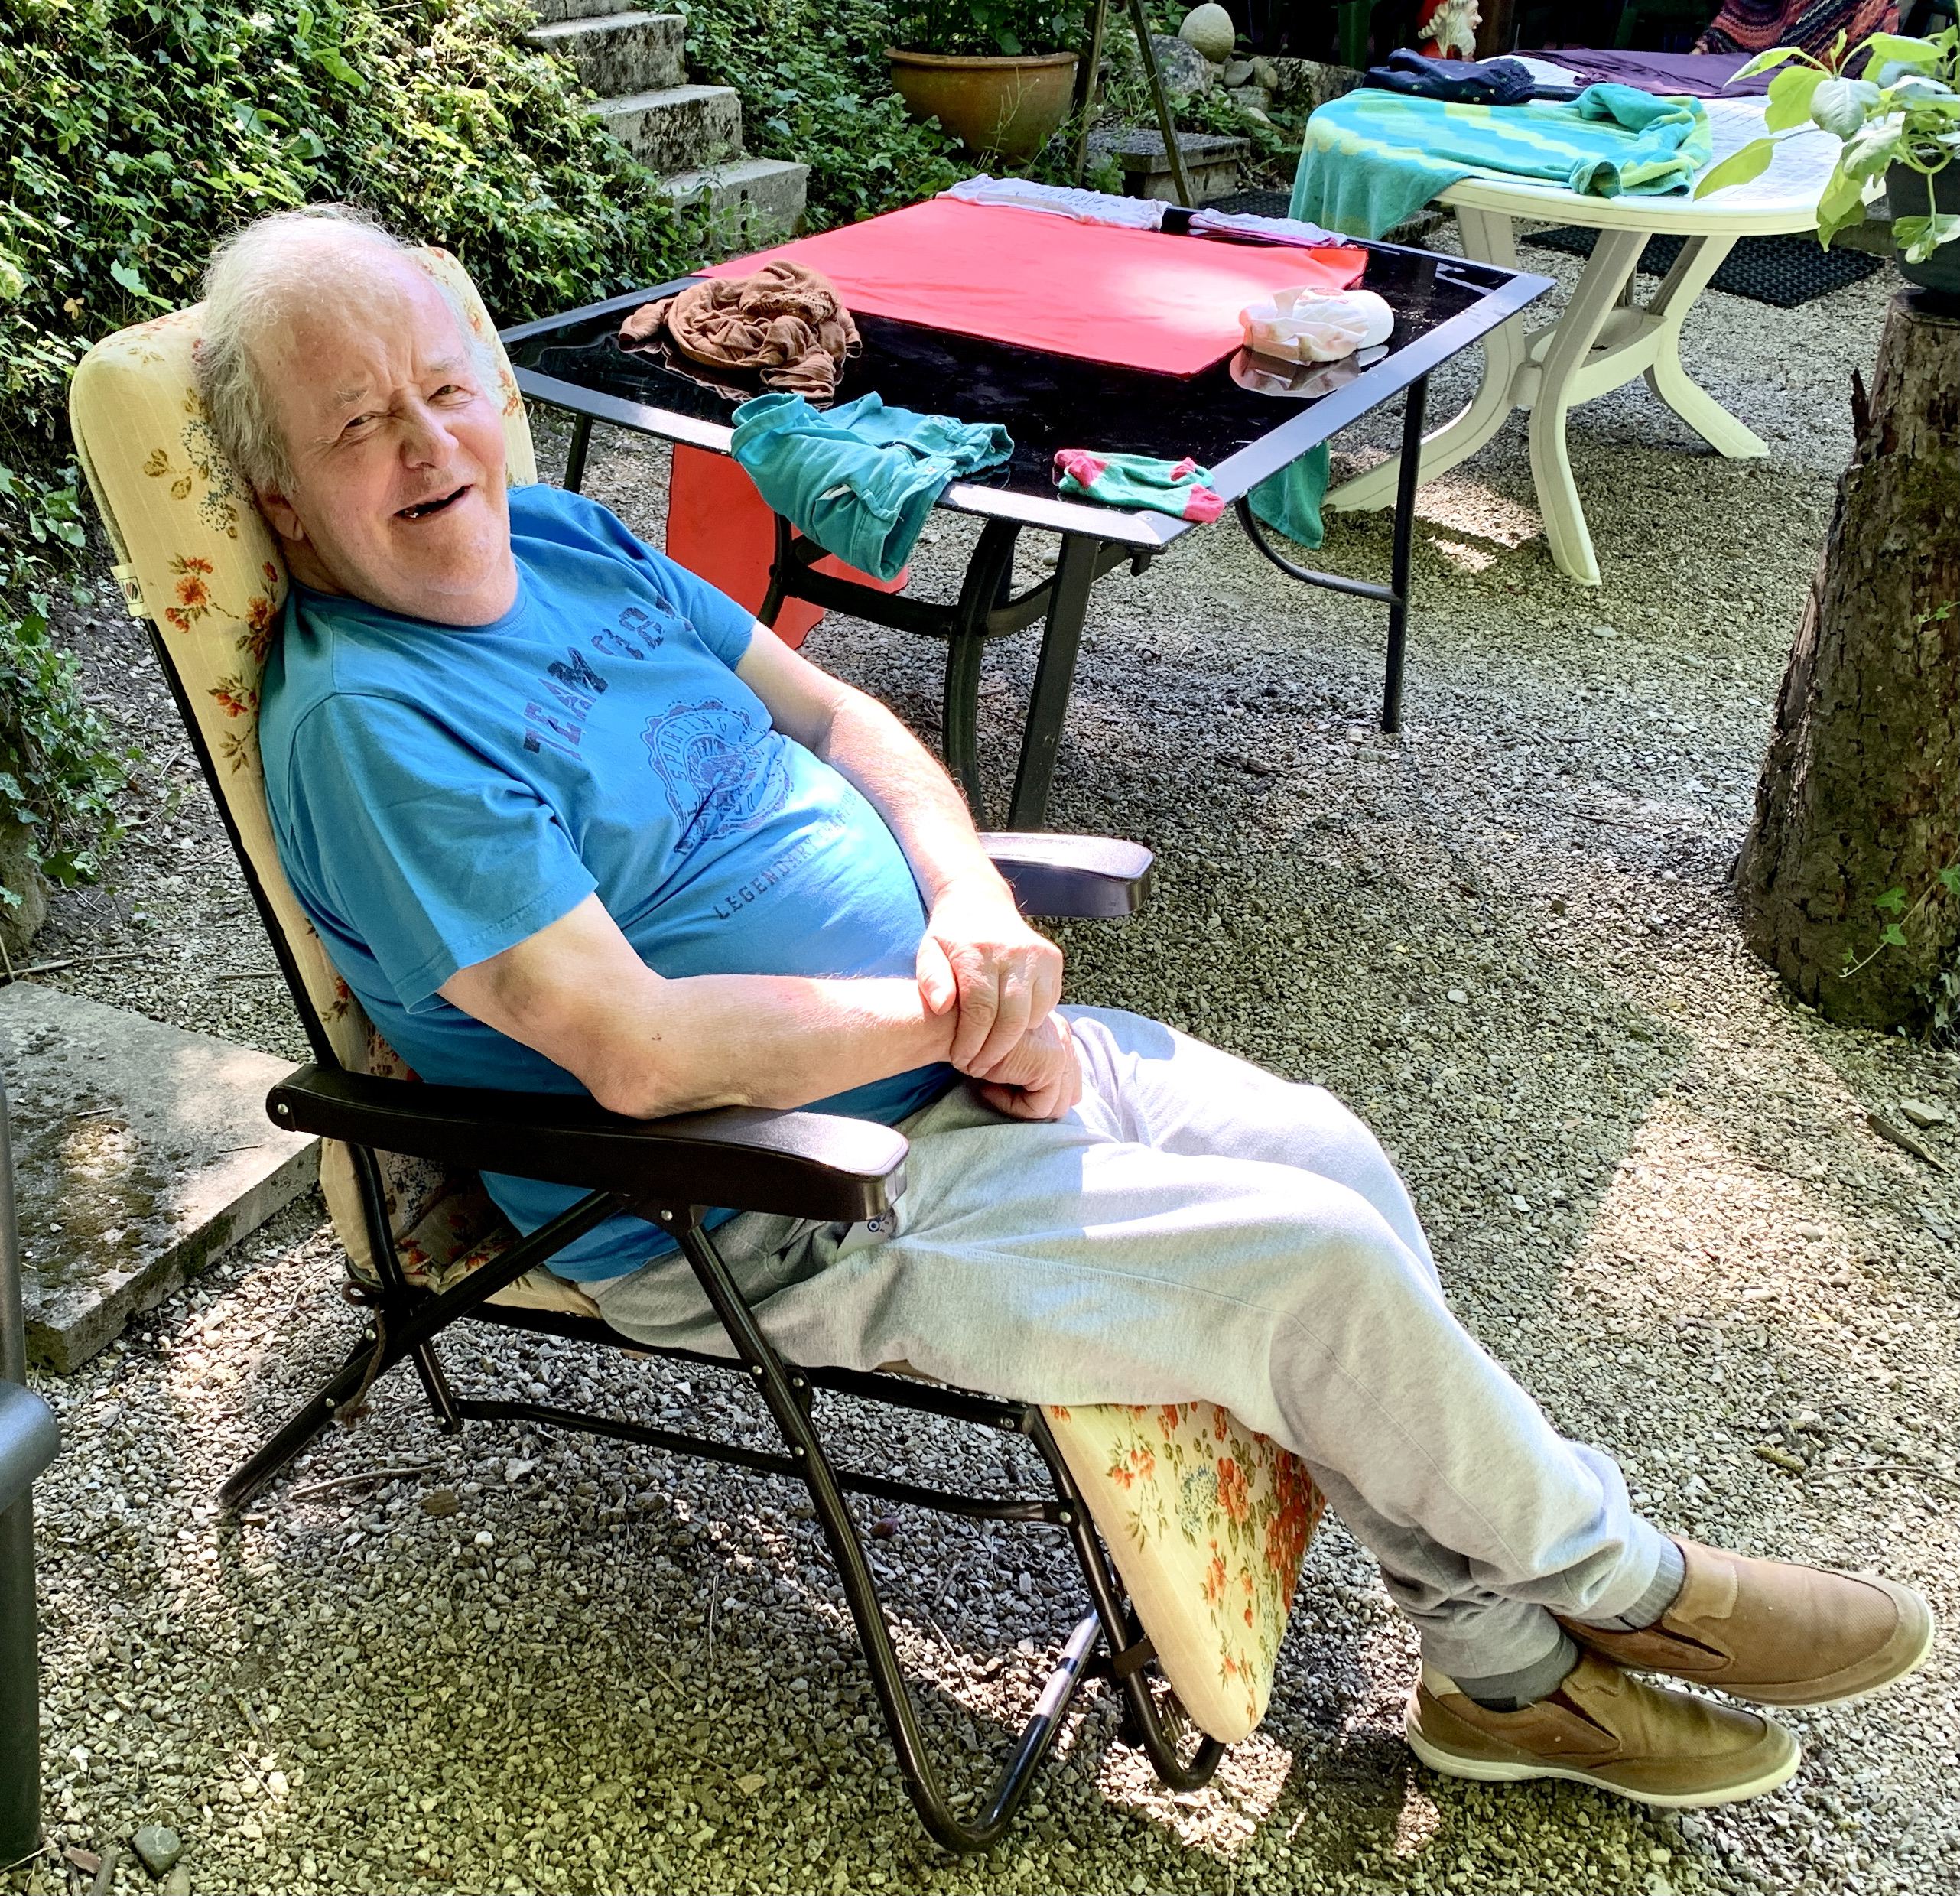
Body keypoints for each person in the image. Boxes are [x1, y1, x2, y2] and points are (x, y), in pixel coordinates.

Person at [201, 204, 1932, 1810]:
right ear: (280, 497)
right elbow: (638, 1052)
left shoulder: (565, 537)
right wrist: (960, 1018)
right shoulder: (374, 727)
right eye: (359, 426)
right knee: (1311, 1267)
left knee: (1331, 1155)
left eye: (446, 390)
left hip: (948, 1046)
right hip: (758, 1190)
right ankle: (1629, 1583)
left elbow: (844, 723)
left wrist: (972, 908)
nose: (431, 446)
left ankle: (1501, 1680)